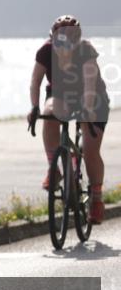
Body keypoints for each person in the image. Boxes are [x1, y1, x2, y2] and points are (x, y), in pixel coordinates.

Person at [27, 15, 110, 224]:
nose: (63, 47)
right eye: (58, 41)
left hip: (93, 98)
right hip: (61, 96)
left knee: (90, 150)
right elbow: (35, 81)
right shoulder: (45, 51)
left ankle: (96, 199)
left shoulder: (86, 51)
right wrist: (35, 107)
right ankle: (53, 168)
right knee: (49, 113)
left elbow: (90, 84)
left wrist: (88, 108)